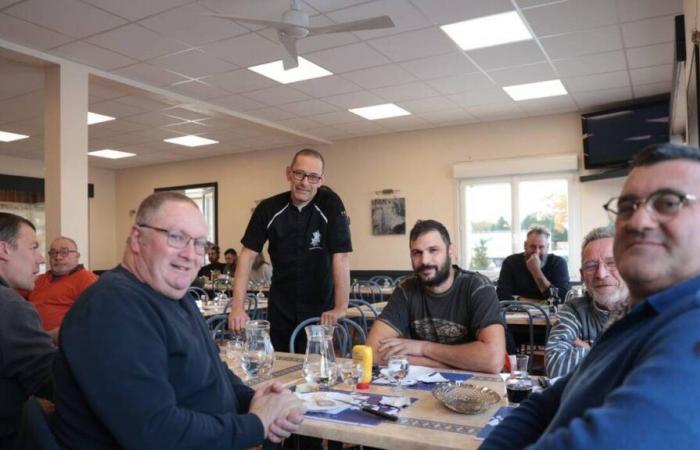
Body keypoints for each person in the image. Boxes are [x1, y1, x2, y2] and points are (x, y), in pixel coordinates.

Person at [481, 143, 700, 449]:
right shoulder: (638, 318)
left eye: (667, 203)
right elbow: (545, 404)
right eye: (627, 207)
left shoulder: (691, 327)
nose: (638, 221)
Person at [52, 192, 305, 449]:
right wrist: (257, 423)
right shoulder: (112, 307)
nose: (190, 254)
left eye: (199, 243)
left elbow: (213, 373)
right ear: (138, 239)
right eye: (176, 237)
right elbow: (154, 432)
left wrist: (256, 400)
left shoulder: (175, 297)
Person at [229, 148, 352, 352]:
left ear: (321, 180)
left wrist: (340, 307)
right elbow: (247, 256)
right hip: (280, 306)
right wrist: (237, 307)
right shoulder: (268, 209)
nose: (305, 182)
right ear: (288, 173)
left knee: (317, 371)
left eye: (313, 177)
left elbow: (341, 257)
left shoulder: (331, 204)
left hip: (320, 309)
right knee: (280, 366)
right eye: (299, 174)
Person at [366, 220, 506, 373]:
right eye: (417, 253)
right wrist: (445, 365)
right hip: (420, 385)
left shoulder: (477, 287)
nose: (425, 260)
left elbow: (493, 360)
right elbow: (373, 352)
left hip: (474, 387)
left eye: (433, 250)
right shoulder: (406, 290)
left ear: (450, 250)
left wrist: (422, 348)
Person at [0, 213, 55, 449]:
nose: (41, 259)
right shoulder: (10, 307)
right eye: (33, 248)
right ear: (4, 249)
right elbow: (54, 383)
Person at [544, 226, 629, 378]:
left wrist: (593, 349)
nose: (601, 274)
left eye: (611, 263)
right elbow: (556, 366)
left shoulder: (651, 307)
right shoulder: (574, 310)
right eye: (591, 266)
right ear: (583, 276)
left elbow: (658, 370)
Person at [25, 236, 98, 342]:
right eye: (53, 253)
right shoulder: (38, 279)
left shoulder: (87, 279)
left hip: (55, 343)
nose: (58, 257)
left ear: (77, 256)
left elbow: (93, 318)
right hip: (26, 336)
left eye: (64, 252)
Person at [497, 227, 571, 301]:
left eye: (541, 247)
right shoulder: (511, 262)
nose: (536, 252)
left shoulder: (558, 263)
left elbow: (562, 297)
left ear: (547, 247)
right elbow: (501, 295)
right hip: (516, 311)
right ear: (525, 246)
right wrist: (533, 302)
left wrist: (536, 271)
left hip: (551, 312)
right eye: (533, 246)